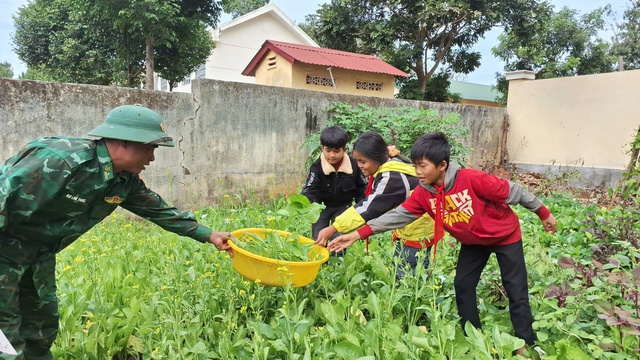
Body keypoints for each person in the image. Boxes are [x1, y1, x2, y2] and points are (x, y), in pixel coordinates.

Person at [0, 104, 232, 360]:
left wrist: (208, 234)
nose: (152, 158)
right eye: (150, 147)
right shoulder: (61, 159)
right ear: (123, 141)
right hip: (4, 249)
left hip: (38, 255)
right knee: (5, 337)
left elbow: (156, 209)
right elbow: (4, 195)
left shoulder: (123, 180)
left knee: (41, 327)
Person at [327, 131, 557, 355]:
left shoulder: (471, 179)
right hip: (473, 243)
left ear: (442, 165)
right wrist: (358, 234)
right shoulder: (423, 193)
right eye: (415, 165)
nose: (417, 172)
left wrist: (543, 212)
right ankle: (473, 337)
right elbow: (396, 217)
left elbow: (513, 190)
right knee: (463, 286)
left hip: (505, 236)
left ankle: (526, 345)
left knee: (515, 289)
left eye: (423, 166)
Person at [315, 131, 434, 279]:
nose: (359, 166)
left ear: (376, 158)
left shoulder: (391, 178)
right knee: (415, 271)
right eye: (357, 161)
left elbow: (368, 208)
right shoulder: (392, 163)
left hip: (417, 231)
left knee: (405, 277)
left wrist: (334, 227)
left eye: (362, 162)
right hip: (416, 226)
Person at [301, 126, 367, 253]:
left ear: (344, 150)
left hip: (343, 207)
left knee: (338, 238)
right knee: (318, 237)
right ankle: (321, 261)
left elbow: (361, 187)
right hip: (321, 208)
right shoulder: (316, 167)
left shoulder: (354, 166)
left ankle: (337, 263)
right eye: (328, 150)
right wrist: (306, 203)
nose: (332, 155)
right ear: (322, 149)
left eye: (336, 151)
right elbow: (310, 188)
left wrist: (362, 207)